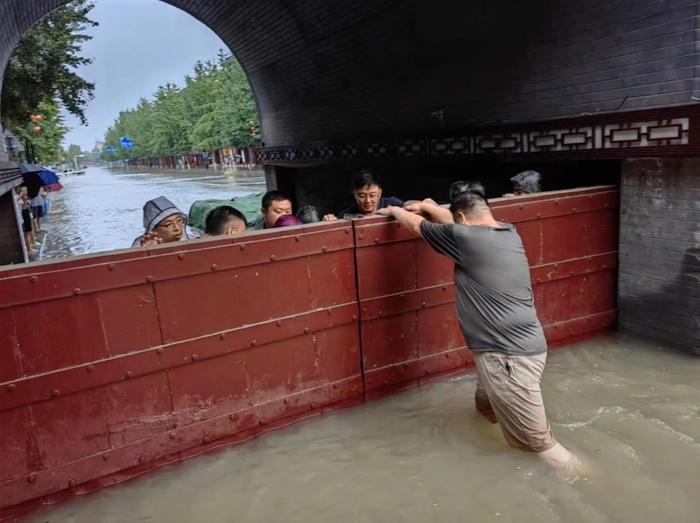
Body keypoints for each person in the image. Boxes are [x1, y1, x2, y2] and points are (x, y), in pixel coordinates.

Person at [376, 181, 576, 471]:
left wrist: (394, 209)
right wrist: (432, 207)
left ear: (461, 219)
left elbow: (419, 227)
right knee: (485, 409)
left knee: (540, 447)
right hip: (516, 350)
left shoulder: (468, 239)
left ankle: (592, 482)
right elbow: (461, 227)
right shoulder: (507, 231)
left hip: (507, 358)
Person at [323, 170, 403, 220]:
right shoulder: (347, 215)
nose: (367, 201)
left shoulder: (391, 203)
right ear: (355, 194)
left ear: (379, 193)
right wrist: (327, 222)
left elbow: (409, 205)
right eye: (362, 196)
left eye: (372, 195)